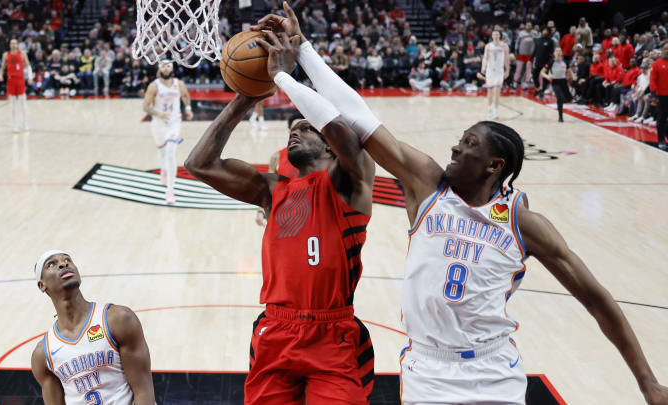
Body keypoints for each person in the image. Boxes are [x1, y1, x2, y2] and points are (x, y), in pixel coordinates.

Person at [251, 3, 668, 404]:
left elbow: (596, 299)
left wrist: (647, 382)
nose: (455, 146)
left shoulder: (524, 224)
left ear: (493, 165)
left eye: (468, 144)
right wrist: (300, 56)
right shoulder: (427, 188)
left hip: (494, 370)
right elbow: (358, 117)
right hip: (429, 371)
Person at [185, 28, 377, 405]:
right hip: (276, 329)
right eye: (293, 127)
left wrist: (285, 77)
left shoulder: (351, 183)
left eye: (307, 126)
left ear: (330, 145)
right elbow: (199, 164)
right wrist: (246, 97)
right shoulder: (273, 190)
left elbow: (345, 133)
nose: (297, 129)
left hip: (332, 334)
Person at [30, 250, 155, 404]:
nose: (63, 264)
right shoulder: (43, 354)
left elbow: (144, 390)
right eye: (52, 264)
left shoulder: (118, 319)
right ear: (42, 285)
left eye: (67, 259)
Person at [143, 60, 193, 204]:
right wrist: (158, 114)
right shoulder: (154, 86)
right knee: (163, 152)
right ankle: (164, 170)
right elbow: (145, 106)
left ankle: (170, 190)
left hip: (174, 122)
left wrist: (188, 109)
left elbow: (186, 96)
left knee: (171, 151)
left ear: (172, 69)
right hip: (158, 124)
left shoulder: (179, 84)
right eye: (164, 66)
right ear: (160, 69)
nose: (166, 69)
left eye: (169, 66)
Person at [0, 38, 32, 133]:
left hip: (20, 80)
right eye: (11, 43)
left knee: (23, 104)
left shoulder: (22, 54)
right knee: (12, 105)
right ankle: (14, 126)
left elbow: (28, 65)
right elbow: (2, 67)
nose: (13, 45)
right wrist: (0, 74)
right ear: (9, 45)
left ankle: (25, 123)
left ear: (17, 45)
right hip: (11, 80)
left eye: (15, 43)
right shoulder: (5, 55)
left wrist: (30, 77)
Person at [478, 30, 509, 119]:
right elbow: (485, 58)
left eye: (497, 34)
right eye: (494, 34)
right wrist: (483, 67)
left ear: (500, 36)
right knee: (490, 92)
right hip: (490, 71)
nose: (495, 36)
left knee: (497, 91)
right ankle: (490, 109)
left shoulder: (504, 46)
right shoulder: (488, 46)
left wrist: (507, 71)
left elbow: (507, 59)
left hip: (499, 71)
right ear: (492, 36)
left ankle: (495, 110)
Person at [540, 48, 573, 122]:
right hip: (555, 81)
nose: (558, 53)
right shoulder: (551, 62)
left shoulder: (565, 62)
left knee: (569, 99)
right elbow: (542, 72)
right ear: (554, 53)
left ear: (562, 53)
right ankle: (560, 117)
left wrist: (571, 76)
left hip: (563, 81)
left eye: (560, 51)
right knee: (559, 97)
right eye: (556, 51)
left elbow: (569, 71)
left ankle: (564, 100)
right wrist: (548, 76)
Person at [650, 41, 668, 150]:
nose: (667, 51)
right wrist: (654, 95)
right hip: (661, 96)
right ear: (662, 51)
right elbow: (652, 81)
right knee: (661, 118)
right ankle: (661, 140)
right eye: (666, 49)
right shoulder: (656, 64)